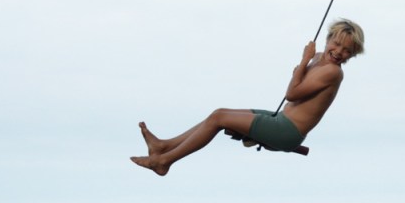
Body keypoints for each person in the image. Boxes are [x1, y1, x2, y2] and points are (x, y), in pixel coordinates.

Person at [130, 19, 364, 176]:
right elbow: (297, 84)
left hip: (288, 131)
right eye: (337, 44)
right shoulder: (319, 57)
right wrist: (304, 65)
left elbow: (291, 93)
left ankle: (164, 161)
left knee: (219, 117)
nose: (339, 52)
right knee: (218, 114)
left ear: (352, 55)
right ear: (329, 38)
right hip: (281, 119)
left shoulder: (332, 71)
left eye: (347, 51)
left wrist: (303, 61)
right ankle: (163, 146)